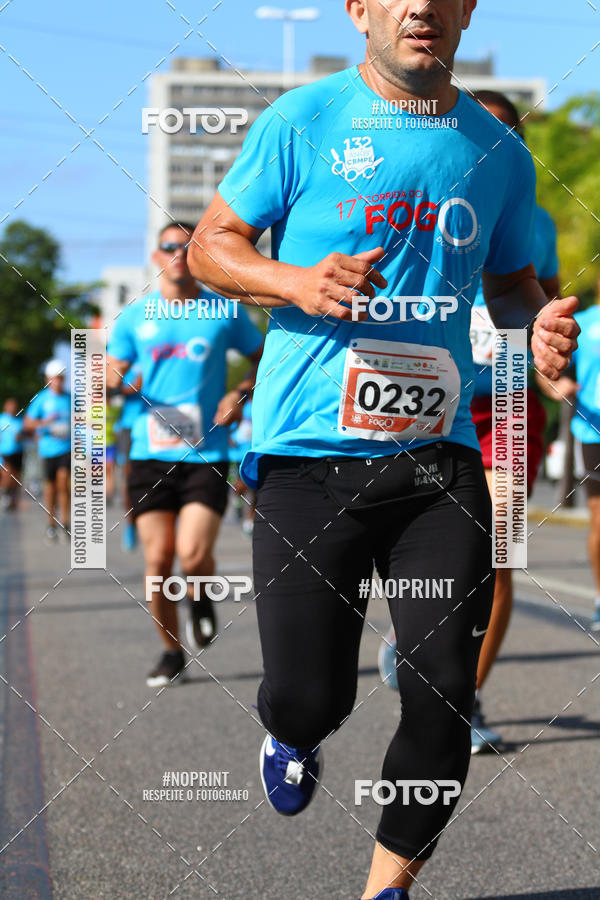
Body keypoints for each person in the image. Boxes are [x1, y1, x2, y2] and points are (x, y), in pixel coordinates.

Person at [188, 1, 579, 896]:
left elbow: (515, 283)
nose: (420, 8)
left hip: (436, 463)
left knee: (442, 684)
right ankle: (291, 733)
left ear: (468, 9)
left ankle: (389, 883)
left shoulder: (498, 150)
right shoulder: (304, 118)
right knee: (309, 695)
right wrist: (292, 279)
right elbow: (215, 246)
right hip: (305, 457)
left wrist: (540, 327)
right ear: (360, 9)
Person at [379, 90, 562, 755]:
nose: (492, 143)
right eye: (479, 129)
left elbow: (538, 300)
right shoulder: (417, 196)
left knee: (502, 550)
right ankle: (415, 632)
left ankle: (465, 700)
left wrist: (551, 349)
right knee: (426, 540)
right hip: (431, 398)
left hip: (509, 399)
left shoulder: (532, 216)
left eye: (507, 134)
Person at [106, 222, 263, 687]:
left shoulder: (224, 311)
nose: (177, 253)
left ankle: (200, 595)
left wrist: (240, 391)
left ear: (198, 254)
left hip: (206, 452)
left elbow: (265, 359)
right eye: (169, 247)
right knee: (159, 560)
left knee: (193, 557)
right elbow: (112, 371)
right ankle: (171, 652)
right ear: (156, 256)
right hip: (148, 454)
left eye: (186, 246)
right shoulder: (136, 317)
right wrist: (112, 381)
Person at [538, 277, 600, 633]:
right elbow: (549, 369)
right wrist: (557, 385)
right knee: (598, 517)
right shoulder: (586, 322)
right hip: (592, 431)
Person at [24, 359, 71, 543]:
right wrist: (45, 424)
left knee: (63, 482)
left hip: (66, 448)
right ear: (48, 379)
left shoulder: (69, 398)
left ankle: (65, 522)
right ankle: (50, 522)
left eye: (61, 378)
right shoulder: (41, 399)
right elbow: (28, 423)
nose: (58, 382)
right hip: (47, 450)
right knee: (50, 488)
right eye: (55, 378)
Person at [114, 363, 143, 552]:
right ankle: (130, 523)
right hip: (128, 428)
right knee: (129, 479)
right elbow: (113, 389)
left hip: (156, 425)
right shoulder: (126, 369)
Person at [0, 397, 24, 511]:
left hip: (18, 451)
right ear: (6, 407)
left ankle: (13, 498)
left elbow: (27, 434)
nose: (12, 408)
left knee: (16, 476)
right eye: (10, 405)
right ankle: (5, 494)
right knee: (7, 473)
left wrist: (21, 437)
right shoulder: (2, 419)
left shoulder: (19, 420)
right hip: (4, 451)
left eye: (14, 406)